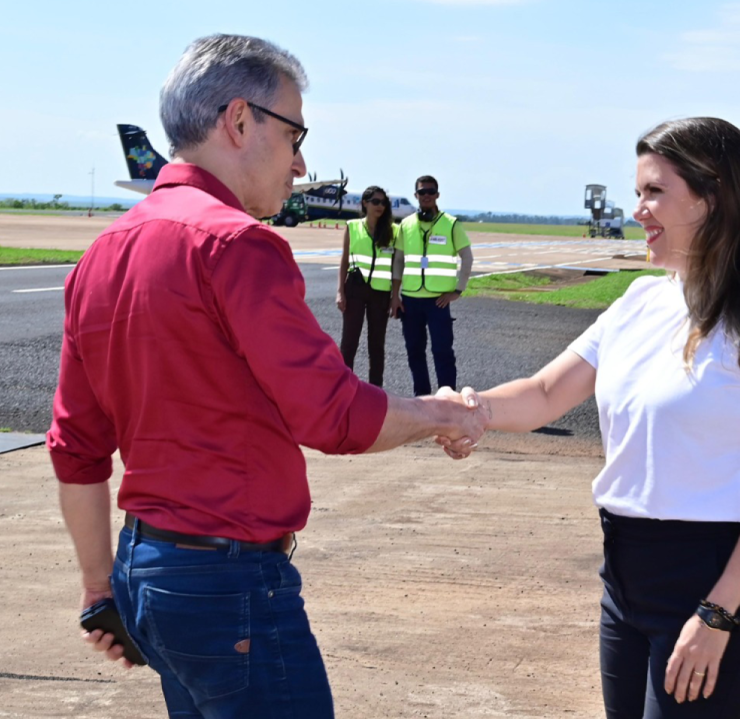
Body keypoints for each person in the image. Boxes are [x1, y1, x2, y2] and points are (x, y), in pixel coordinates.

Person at [47, 35, 484, 719]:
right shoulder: (238, 245)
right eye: (295, 134)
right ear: (240, 121)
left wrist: (99, 587)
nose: (301, 160)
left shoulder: (101, 253)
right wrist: (441, 414)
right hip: (229, 583)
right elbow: (331, 414)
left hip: (149, 571)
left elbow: (76, 446)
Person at [441, 117, 740, 718]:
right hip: (626, 580)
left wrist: (717, 613)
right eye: (639, 191)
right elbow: (546, 392)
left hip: (718, 581)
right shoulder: (641, 302)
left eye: (655, 192)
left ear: (712, 198)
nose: (638, 209)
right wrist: (471, 411)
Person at [390, 176, 474, 396]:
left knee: (442, 350)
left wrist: (458, 290)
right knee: (414, 351)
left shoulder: (451, 224)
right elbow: (398, 260)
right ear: (416, 196)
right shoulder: (406, 225)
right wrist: (395, 296)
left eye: (430, 191)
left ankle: (447, 396)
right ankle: (422, 397)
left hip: (438, 300)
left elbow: (467, 257)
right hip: (410, 299)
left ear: (437, 195)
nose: (426, 195)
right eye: (422, 192)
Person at [337, 185, 396, 386]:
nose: (380, 206)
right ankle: (344, 387)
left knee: (377, 345)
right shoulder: (352, 226)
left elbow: (397, 265)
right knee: (349, 342)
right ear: (365, 203)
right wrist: (340, 291)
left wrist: (395, 296)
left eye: (383, 202)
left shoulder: (394, 231)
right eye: (375, 202)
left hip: (381, 292)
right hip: (355, 288)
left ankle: (376, 389)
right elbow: (344, 260)